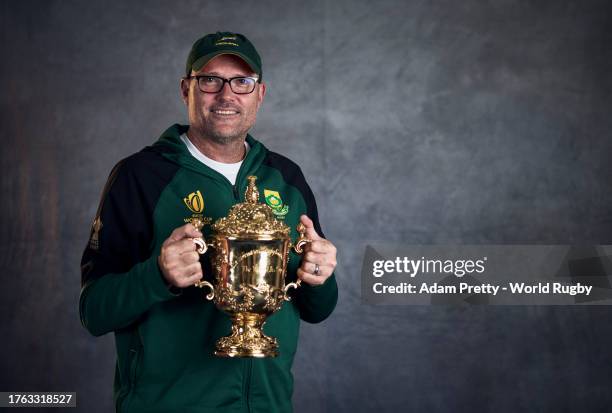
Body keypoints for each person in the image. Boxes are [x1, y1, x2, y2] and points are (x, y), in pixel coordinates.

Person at [79, 32, 338, 413]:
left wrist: (320, 276)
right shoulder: (141, 177)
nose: (227, 94)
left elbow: (319, 309)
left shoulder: (285, 178)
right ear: (187, 89)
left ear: (259, 94)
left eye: (242, 82)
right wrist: (158, 276)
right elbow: (93, 312)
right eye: (210, 80)